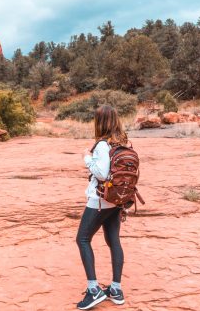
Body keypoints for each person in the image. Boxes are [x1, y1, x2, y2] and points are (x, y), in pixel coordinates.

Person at [76, 105, 128, 310]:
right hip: (117, 200)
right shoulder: (122, 143)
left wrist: (87, 158)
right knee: (113, 240)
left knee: (82, 239)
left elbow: (101, 173)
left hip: (100, 201)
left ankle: (94, 290)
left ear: (100, 122)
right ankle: (115, 289)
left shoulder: (102, 145)